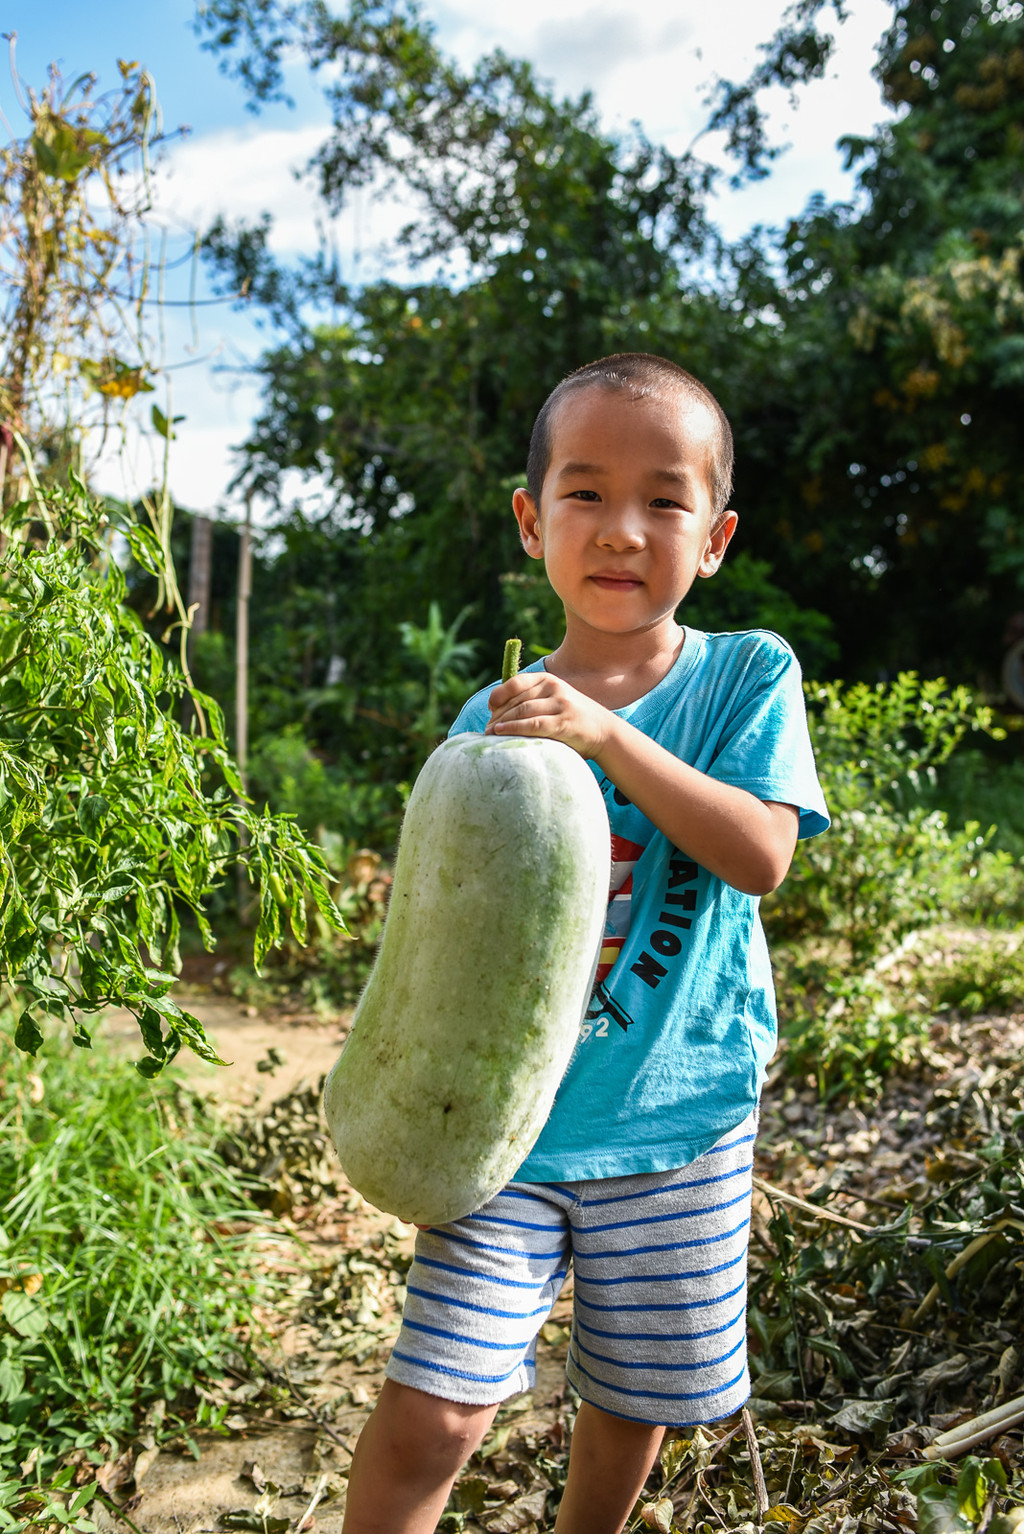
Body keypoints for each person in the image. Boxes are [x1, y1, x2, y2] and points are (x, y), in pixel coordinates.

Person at [341, 353, 829, 1534]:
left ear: (713, 538)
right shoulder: (489, 722)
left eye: (664, 499)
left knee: (630, 1401)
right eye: (585, 492)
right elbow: (443, 939)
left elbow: (760, 855)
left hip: (676, 1118)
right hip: (498, 1131)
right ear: (531, 521)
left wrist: (608, 736)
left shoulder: (746, 674)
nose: (621, 528)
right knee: (435, 1412)